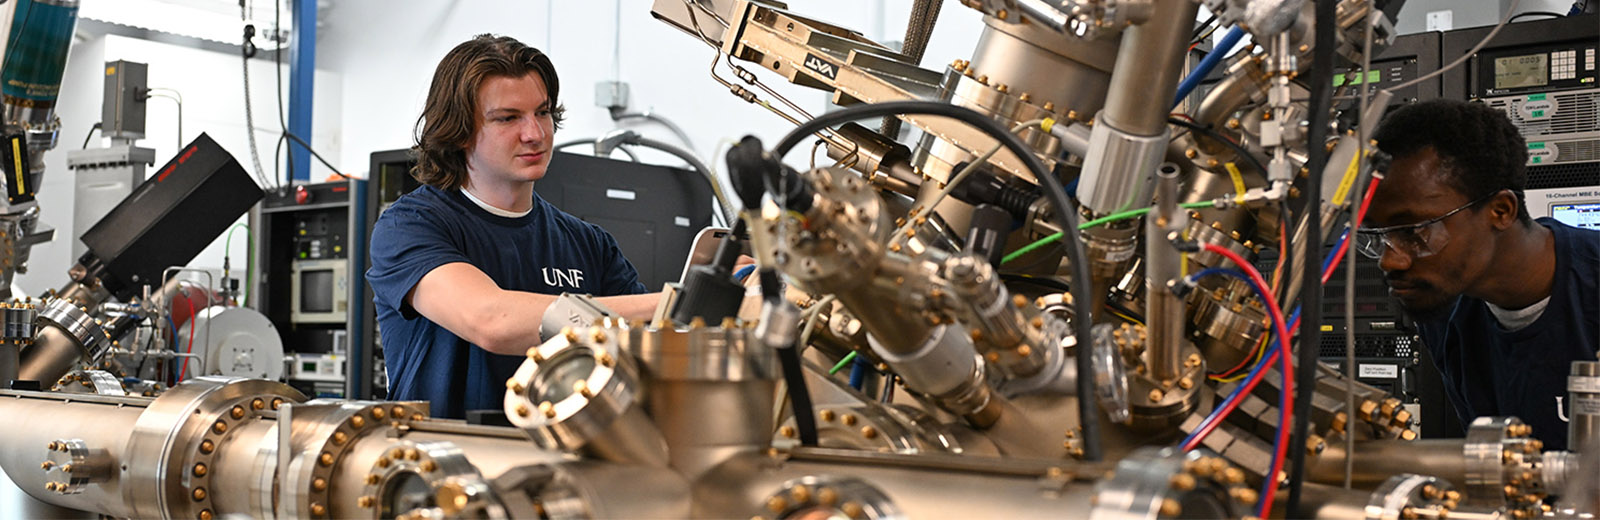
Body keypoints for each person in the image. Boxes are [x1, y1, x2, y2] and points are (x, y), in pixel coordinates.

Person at [367, 34, 660, 419]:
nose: (535, 134)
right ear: (459, 131)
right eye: (508, 118)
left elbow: (642, 348)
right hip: (445, 463)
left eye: (543, 113)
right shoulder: (411, 225)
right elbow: (492, 321)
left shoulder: (589, 244)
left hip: (559, 463)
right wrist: (672, 303)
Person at [1363, 99, 1599, 450]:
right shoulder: (1444, 307)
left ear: (1501, 211)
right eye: (1377, 236)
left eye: (1414, 232)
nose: (1390, 261)